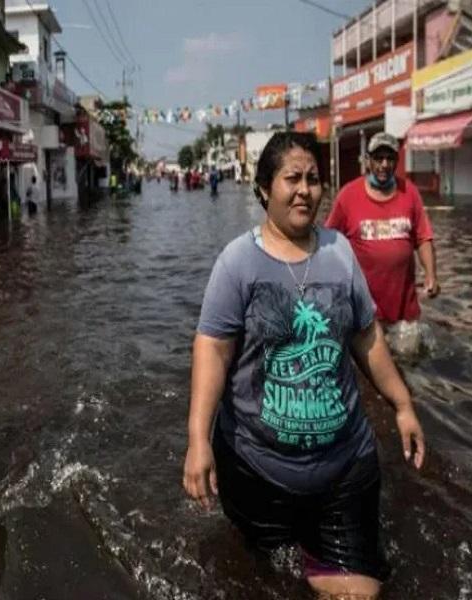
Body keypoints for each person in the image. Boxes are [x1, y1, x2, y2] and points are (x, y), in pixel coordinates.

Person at [183, 132, 425, 599]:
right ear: (262, 190)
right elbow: (212, 348)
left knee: (361, 594)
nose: (304, 190)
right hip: (256, 471)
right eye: (291, 178)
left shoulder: (339, 252)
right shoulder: (237, 263)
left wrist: (402, 404)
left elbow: (365, 336)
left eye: (313, 179)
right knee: (263, 580)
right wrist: (197, 440)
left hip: (345, 466)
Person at [325, 133, 439, 334]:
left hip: (405, 311)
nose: (384, 164)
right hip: (363, 311)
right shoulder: (348, 196)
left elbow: (423, 237)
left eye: (390, 158)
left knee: (409, 362)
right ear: (368, 160)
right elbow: (327, 243)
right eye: (378, 158)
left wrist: (431, 275)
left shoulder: (409, 192)